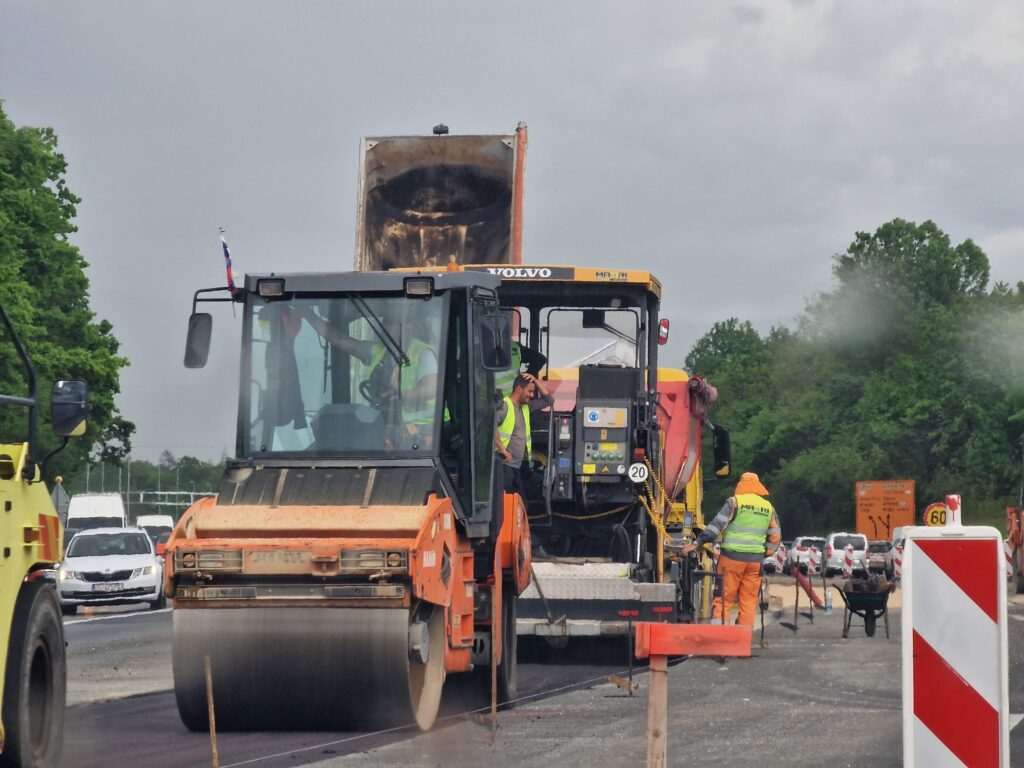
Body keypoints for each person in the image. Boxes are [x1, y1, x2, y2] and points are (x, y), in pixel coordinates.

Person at [680, 471, 781, 627]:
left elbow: (717, 526)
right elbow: (775, 537)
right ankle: (743, 637)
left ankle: (720, 636)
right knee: (748, 601)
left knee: (724, 598)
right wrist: (763, 554)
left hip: (731, 560)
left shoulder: (735, 502)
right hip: (755, 562)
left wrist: (698, 542)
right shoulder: (768, 507)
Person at [494, 373, 554, 496]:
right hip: (505, 465)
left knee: (520, 504)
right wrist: (502, 450)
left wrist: (536, 381)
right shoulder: (505, 406)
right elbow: (490, 426)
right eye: (530, 391)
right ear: (519, 389)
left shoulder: (525, 407)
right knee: (513, 504)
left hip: (518, 466)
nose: (532, 395)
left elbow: (549, 400)